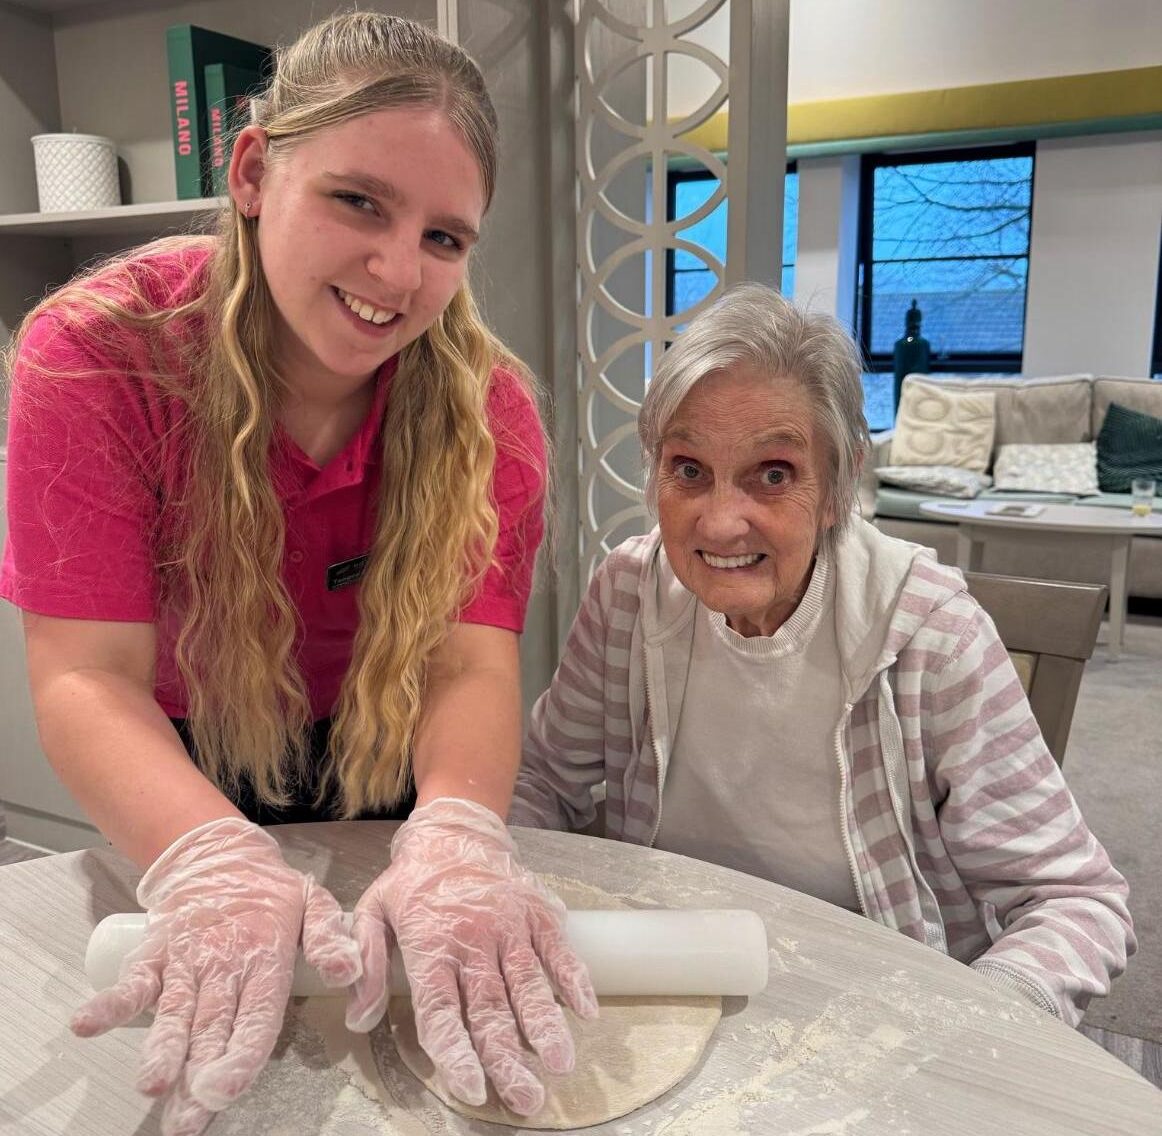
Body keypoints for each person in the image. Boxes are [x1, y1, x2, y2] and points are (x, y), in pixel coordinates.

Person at [2, 13, 593, 1136]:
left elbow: (470, 660)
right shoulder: (100, 355)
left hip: (390, 754)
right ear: (256, 169)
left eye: (444, 238)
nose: (396, 271)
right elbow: (86, 675)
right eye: (360, 202)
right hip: (178, 756)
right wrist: (209, 863)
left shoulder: (488, 409)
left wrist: (461, 839)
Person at [511, 282, 1135, 1028]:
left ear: (837, 487)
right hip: (671, 976)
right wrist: (498, 888)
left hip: (877, 1006)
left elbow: (1076, 901)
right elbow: (543, 780)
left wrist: (982, 1023)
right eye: (688, 469)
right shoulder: (628, 594)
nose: (721, 521)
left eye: (772, 475)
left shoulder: (929, 633)